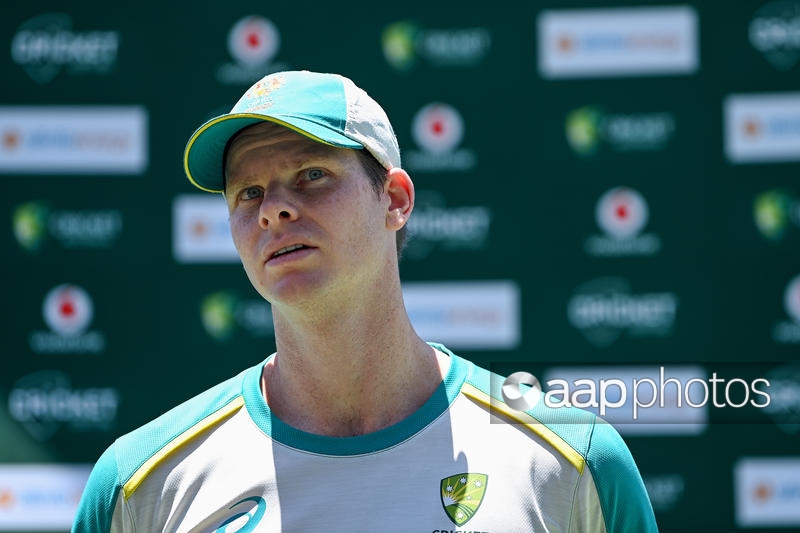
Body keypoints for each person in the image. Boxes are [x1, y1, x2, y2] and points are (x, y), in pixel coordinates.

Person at [72, 70, 658, 532]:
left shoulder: (569, 462)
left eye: (312, 175)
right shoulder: (140, 485)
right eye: (248, 192)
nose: (273, 209)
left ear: (395, 200)